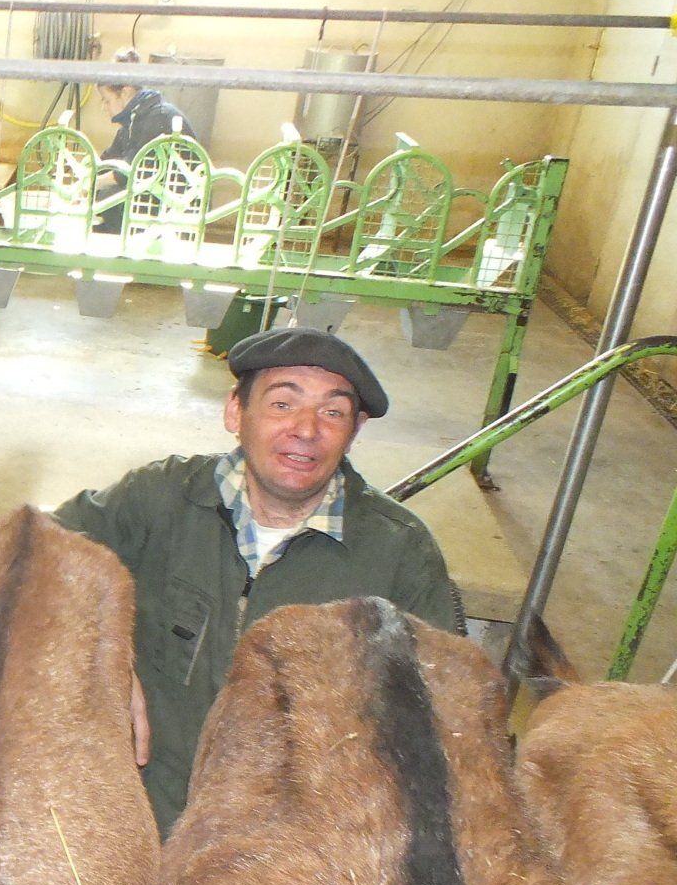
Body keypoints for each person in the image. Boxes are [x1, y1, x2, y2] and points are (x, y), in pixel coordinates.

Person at [51, 327, 463, 837]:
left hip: (286, 864)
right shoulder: (158, 500)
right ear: (235, 412)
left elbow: (448, 721)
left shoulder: (399, 554)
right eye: (283, 403)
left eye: (332, 412)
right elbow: (35, 554)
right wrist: (101, 649)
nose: (306, 430)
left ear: (354, 430)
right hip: (136, 825)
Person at [93, 49, 188, 233]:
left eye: (106, 100)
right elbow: (109, 160)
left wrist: (91, 183)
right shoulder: (133, 121)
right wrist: (88, 174)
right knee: (100, 196)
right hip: (154, 198)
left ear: (126, 92)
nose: (104, 107)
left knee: (108, 196)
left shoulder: (156, 118)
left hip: (176, 206)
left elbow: (131, 171)